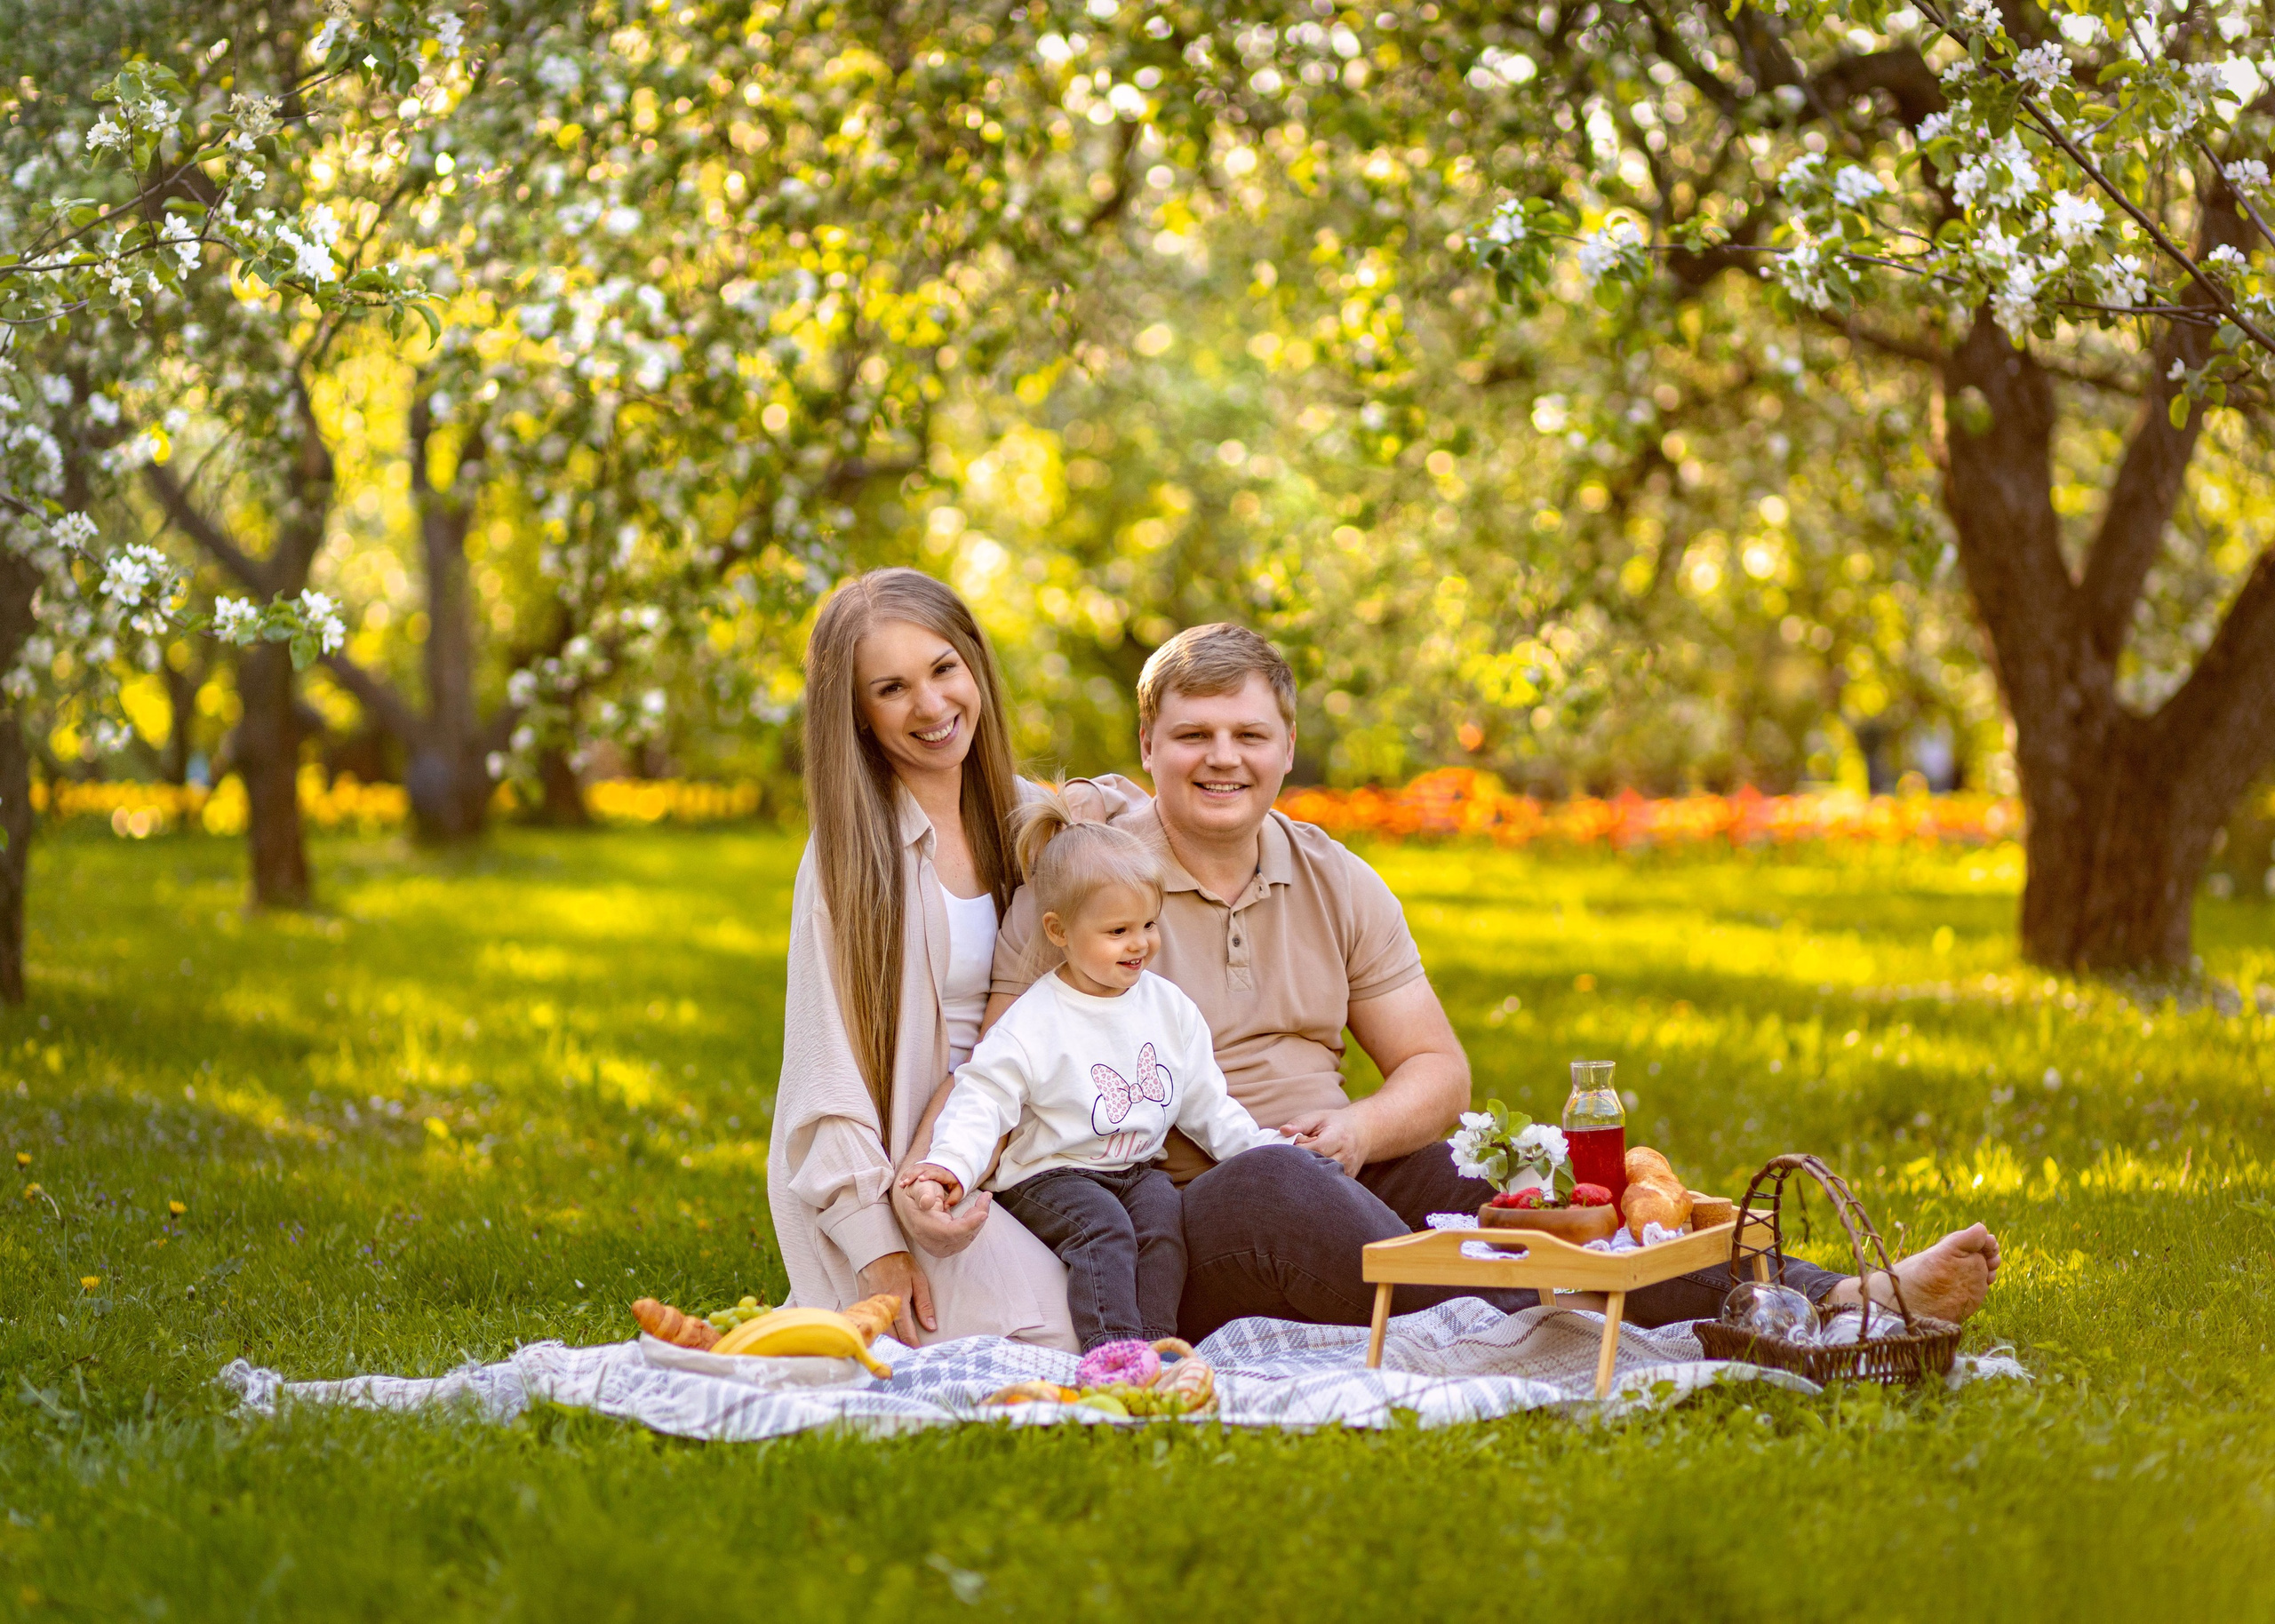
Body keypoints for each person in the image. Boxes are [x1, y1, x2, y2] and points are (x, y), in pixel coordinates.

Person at [895, 623, 2002, 1341]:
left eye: (1247, 733)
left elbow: (1433, 1065)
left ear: (1287, 748)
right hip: (1182, 1207)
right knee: (1277, 1184)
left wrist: (1360, 1122)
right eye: (1191, 734)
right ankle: (1594, 1305)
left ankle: (1829, 1294)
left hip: (1342, 1166)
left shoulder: (1335, 877)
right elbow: (1001, 1049)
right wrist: (923, 1182)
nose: (1219, 757)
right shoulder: (1090, 874)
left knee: (1549, 1167)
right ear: (1148, 744)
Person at [766, 569, 1128, 1351]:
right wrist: (880, 1252)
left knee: (1145, 1292)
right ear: (857, 716)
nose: (931, 708)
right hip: (918, 1176)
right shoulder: (850, 861)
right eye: (891, 689)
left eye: (943, 670)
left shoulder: (1029, 823)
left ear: (975, 668)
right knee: (1068, 1338)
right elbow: (821, 1082)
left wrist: (1091, 798)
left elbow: (1147, 813)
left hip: (1035, 1147)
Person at [902, 793, 1281, 1350]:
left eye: (1149, 924)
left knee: (1162, 1228)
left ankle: (1154, 1349)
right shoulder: (1035, 1019)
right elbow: (982, 1098)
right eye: (1118, 931)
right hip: (1050, 1174)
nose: (1140, 944)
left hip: (1135, 1168)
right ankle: (1112, 1354)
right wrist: (949, 1166)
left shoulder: (1168, 1008)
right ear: (1059, 931)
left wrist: (1262, 1153)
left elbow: (1206, 1102)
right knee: (1104, 1233)